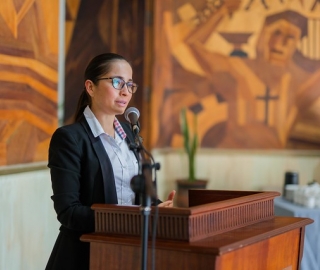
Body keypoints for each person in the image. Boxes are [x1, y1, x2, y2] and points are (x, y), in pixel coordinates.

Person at [45, 53, 176, 270]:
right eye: (117, 82)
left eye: (130, 84)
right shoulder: (70, 138)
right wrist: (133, 219)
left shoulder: (130, 134)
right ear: (90, 87)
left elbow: (135, 197)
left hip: (128, 253)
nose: (125, 91)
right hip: (85, 256)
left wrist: (159, 208)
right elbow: (69, 211)